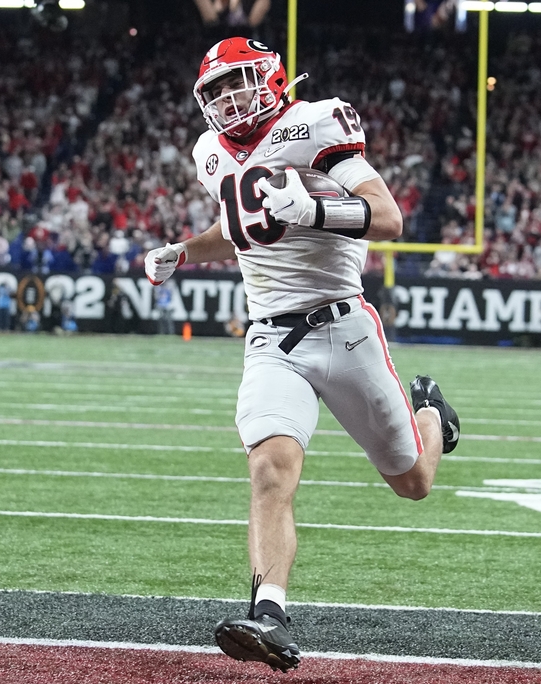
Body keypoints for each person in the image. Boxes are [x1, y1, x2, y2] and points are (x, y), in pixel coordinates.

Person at [145, 37, 460, 673]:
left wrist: (314, 208)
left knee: (413, 483)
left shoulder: (314, 121)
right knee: (270, 466)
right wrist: (184, 250)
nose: (228, 99)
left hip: (344, 329)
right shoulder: (211, 153)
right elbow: (239, 229)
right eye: (215, 91)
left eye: (238, 82)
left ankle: (431, 415)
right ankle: (270, 613)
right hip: (270, 337)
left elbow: (388, 218)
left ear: (271, 77)